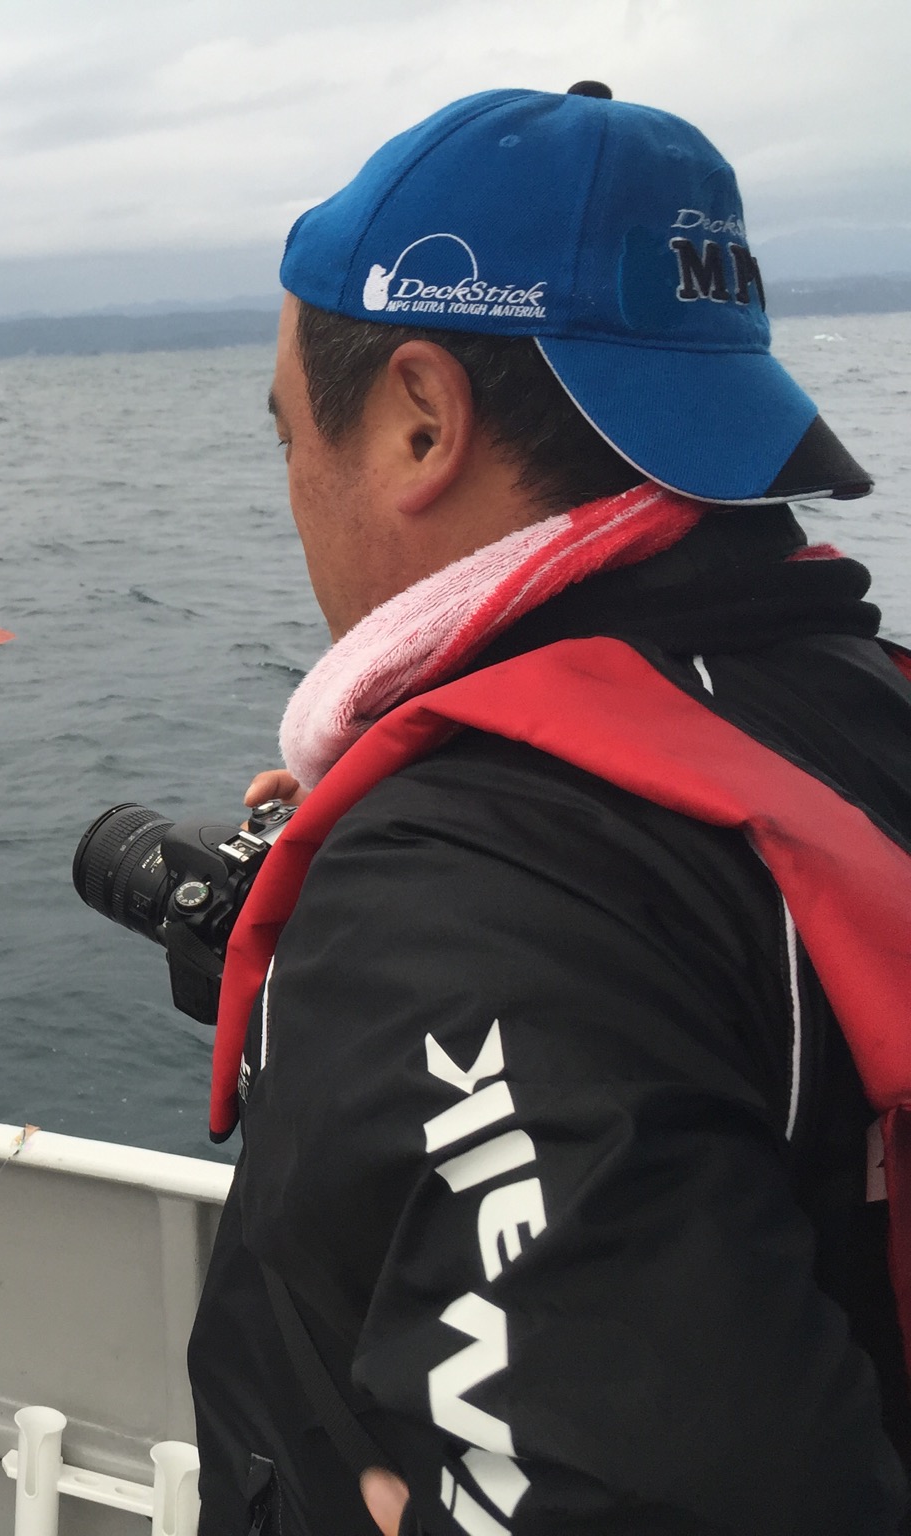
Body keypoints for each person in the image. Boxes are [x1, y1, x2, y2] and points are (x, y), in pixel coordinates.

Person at [186, 85, 911, 1533]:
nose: (289, 490)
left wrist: (393, 941)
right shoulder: (859, 700)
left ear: (416, 425)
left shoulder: (463, 885)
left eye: (286, 436)